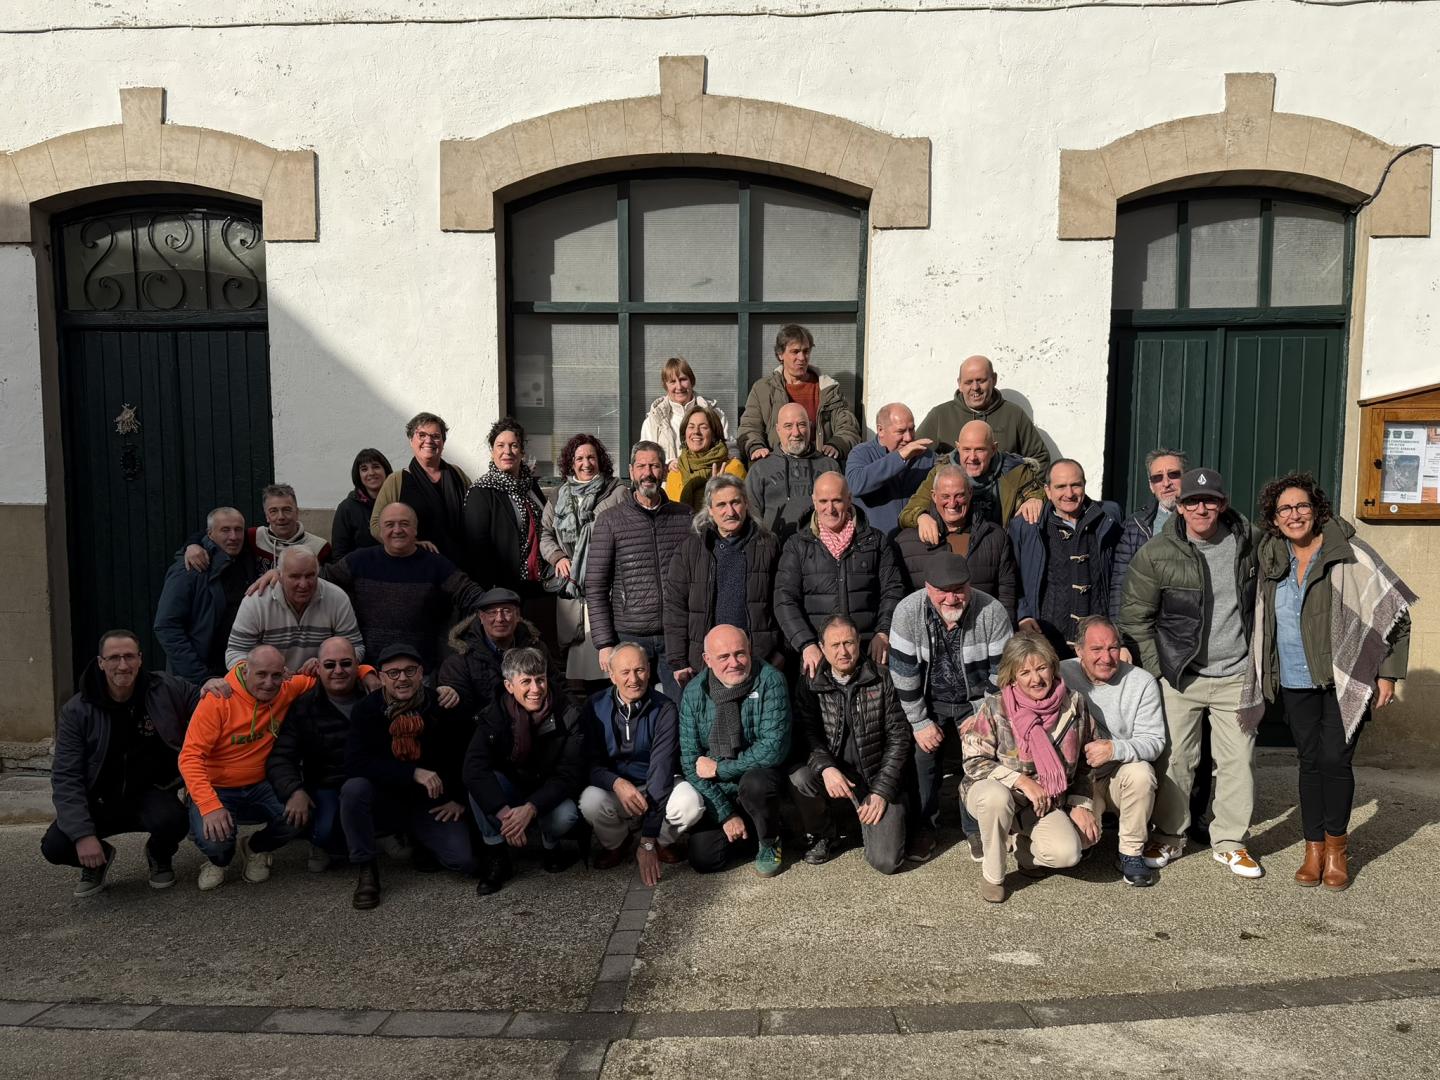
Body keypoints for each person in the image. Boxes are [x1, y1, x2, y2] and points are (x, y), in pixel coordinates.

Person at [1240, 473, 1415, 891]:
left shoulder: (1349, 552)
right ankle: (1313, 847)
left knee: (1335, 760)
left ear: (1316, 509)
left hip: (1344, 678)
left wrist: (1388, 673)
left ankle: (1336, 849)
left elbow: (1396, 613)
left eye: (1302, 506)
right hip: (1294, 679)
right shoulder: (1271, 557)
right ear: (1274, 518)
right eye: (1284, 509)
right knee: (1309, 761)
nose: (1294, 515)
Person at [1118, 468, 1266, 879]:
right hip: (1181, 675)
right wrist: (1159, 672)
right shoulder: (1156, 553)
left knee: (1238, 761)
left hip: (1237, 673)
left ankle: (1230, 842)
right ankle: (1169, 835)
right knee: (1176, 760)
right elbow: (1135, 618)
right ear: (1179, 507)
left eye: (1210, 500)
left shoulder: (1250, 542)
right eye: (1192, 501)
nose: (1201, 508)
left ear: (1223, 503)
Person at [42, 630, 211, 895]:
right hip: (99, 799)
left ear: (140, 659)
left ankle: (159, 854)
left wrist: (213, 685)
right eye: (114, 658)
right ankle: (98, 860)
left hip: (151, 793)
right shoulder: (77, 710)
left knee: (176, 819)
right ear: (101, 663)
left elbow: (203, 700)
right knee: (55, 846)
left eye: (129, 656)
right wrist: (83, 835)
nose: (123, 665)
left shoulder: (164, 688)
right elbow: (66, 776)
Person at [888, 550, 1011, 862]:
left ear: (969, 585)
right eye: (943, 591)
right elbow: (903, 673)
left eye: (959, 589)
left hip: (977, 700)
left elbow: (1003, 672)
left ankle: (974, 826)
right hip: (929, 701)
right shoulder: (907, 612)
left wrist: (984, 713)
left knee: (979, 752)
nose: (952, 598)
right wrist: (919, 722)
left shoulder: (992, 611)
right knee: (922, 756)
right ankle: (925, 826)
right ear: (928, 588)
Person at [961, 633, 1098, 903]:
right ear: (1013, 676)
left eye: (1041, 668)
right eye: (1025, 672)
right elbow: (973, 761)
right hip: (995, 793)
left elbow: (1086, 760)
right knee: (996, 797)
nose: (1036, 679)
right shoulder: (996, 706)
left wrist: (1079, 803)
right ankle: (993, 875)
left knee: (1068, 853)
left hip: (1045, 801)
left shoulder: (1074, 704)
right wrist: (1021, 781)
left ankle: (1025, 850)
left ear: (1053, 667)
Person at [343, 643, 477, 908]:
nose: (402, 678)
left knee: (464, 861)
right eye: (393, 673)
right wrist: (412, 773)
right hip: (386, 799)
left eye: (409, 671)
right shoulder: (366, 710)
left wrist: (458, 798)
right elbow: (355, 763)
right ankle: (366, 868)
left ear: (421, 673)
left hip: (431, 802)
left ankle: (420, 841)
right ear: (381, 677)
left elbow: (466, 755)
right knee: (353, 789)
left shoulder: (440, 705)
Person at [179, 645, 314, 890]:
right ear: (245, 671)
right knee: (216, 843)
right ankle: (217, 861)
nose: (269, 683)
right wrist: (209, 806)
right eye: (261, 674)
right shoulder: (218, 699)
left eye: (276, 675)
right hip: (217, 786)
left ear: (284, 673)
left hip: (261, 783)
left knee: (299, 817)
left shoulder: (286, 688)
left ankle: (255, 847)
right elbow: (190, 757)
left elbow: (335, 676)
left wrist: (366, 672)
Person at [789, 616, 910, 875]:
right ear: (822, 648)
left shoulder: (882, 677)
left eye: (849, 643)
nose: (843, 652)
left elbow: (899, 738)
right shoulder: (809, 682)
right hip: (834, 777)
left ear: (859, 643)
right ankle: (825, 833)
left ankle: (875, 820)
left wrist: (882, 791)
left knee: (886, 862)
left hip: (875, 779)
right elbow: (806, 734)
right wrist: (826, 768)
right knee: (800, 777)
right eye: (835, 645)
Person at [579, 642, 706, 883]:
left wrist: (648, 838)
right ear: (612, 675)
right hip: (617, 787)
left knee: (691, 803)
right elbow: (590, 763)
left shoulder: (665, 707)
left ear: (648, 670)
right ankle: (618, 842)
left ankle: (659, 841)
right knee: (590, 801)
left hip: (656, 783)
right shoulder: (594, 706)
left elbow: (661, 768)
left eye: (639, 670)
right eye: (625, 672)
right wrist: (616, 783)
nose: (634, 679)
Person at [464, 647, 587, 895]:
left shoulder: (569, 713)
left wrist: (530, 808)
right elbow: (473, 767)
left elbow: (569, 775)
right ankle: (497, 854)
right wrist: (506, 816)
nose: (536, 688)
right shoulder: (494, 714)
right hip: (511, 791)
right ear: (509, 686)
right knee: (479, 787)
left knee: (566, 815)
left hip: (547, 793)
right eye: (526, 682)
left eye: (540, 679)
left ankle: (551, 846)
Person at [1059, 616, 1165, 888]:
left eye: (1113, 648)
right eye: (1096, 649)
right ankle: (1086, 835)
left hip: (1119, 774)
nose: (1106, 658)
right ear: (1079, 650)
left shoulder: (1141, 682)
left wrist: (1114, 749)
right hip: (1079, 779)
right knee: (1073, 847)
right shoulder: (1061, 673)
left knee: (1142, 773)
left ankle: (1131, 852)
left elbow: (1155, 741)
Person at [679, 625, 791, 877]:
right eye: (724, 657)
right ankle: (753, 829)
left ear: (750, 650)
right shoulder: (694, 693)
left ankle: (769, 839)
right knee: (704, 858)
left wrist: (720, 769)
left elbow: (772, 749)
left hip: (757, 781)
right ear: (707, 660)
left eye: (740, 653)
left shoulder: (770, 681)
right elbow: (690, 763)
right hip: (719, 790)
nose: (734, 663)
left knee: (756, 784)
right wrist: (725, 814)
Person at [585, 441, 692, 699]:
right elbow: (596, 586)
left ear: (664, 470)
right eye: (641, 466)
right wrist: (605, 643)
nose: (648, 473)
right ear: (631, 471)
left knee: (680, 708)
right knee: (634, 708)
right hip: (629, 635)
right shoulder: (610, 520)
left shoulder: (685, 517)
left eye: (654, 466)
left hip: (676, 635)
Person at [323, 502, 486, 671]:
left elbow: (472, 595)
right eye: (389, 524)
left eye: (404, 524)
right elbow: (321, 582)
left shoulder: (436, 565)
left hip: (421, 670)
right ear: (380, 530)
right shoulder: (359, 561)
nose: (397, 530)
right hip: (368, 670)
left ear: (415, 530)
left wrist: (492, 614)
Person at [774, 473, 904, 678]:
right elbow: (785, 599)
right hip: (817, 658)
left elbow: (893, 590)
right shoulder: (797, 545)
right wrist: (806, 644)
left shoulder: (875, 541)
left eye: (837, 500)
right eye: (823, 501)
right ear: (814, 501)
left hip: (868, 653)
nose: (830, 508)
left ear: (849, 499)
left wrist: (883, 632)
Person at [663, 475, 783, 691]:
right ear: (710, 510)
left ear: (746, 504)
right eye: (721, 505)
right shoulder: (691, 549)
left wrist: (781, 653)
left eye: (735, 502)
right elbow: (675, 608)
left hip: (759, 661)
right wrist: (678, 661)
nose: (730, 511)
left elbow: (783, 600)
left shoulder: (768, 546)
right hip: (705, 665)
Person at [266, 636, 371, 873]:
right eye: (330, 665)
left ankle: (384, 832)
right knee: (324, 832)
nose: (338, 671)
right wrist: (294, 790)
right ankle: (319, 840)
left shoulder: (373, 695)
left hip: (369, 781)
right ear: (318, 667)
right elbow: (281, 756)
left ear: (358, 666)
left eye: (346, 663)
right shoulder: (303, 705)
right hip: (326, 785)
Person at [1009, 459, 1122, 659]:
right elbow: (1010, 577)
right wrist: (1023, 615)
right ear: (1047, 491)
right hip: (1046, 638)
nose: (1069, 493)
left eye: (1075, 485)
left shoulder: (1109, 518)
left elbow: (1121, 576)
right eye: (1060, 486)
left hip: (1098, 642)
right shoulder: (1027, 526)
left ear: (1084, 485)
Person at [540, 434, 629, 685]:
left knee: (610, 660)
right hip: (572, 587)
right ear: (571, 462)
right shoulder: (559, 495)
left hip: (607, 585)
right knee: (579, 660)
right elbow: (545, 534)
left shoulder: (618, 493)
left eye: (591, 457)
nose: (586, 463)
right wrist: (557, 557)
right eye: (579, 458)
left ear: (600, 460)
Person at [894, 464, 1018, 623]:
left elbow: (1007, 594)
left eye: (959, 495)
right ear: (933, 496)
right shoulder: (907, 542)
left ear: (970, 493)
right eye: (945, 496)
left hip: (982, 632)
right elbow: (897, 597)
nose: (952, 503)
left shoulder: (995, 537)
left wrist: (1003, 630)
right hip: (925, 634)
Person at [154, 506, 259, 681]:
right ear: (210, 534)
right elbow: (167, 626)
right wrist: (200, 677)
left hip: (240, 673)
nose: (233, 536)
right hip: (199, 678)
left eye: (238, 529)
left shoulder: (248, 560)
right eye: (225, 530)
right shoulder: (188, 569)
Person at [736, 324, 862, 463]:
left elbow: (849, 427)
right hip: (775, 466)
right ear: (780, 354)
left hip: (819, 465)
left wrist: (837, 445)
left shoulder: (828, 389)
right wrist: (756, 447)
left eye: (806, 351)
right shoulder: (763, 389)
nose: (802, 357)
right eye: (795, 352)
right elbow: (749, 427)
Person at [225, 546, 364, 671]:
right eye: (295, 577)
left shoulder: (336, 598)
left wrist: (325, 665)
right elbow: (235, 654)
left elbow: (355, 648)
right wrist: (269, 672)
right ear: (279, 576)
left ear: (318, 573)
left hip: (320, 683)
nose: (303, 584)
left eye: (310, 576)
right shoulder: (257, 602)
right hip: (270, 685)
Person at [439, 587, 563, 721]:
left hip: (535, 724)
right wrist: (450, 693)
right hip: (484, 728)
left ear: (517, 615)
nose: (500, 618)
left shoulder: (537, 648)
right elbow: (459, 706)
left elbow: (558, 686)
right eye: (492, 612)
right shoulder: (461, 655)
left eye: (506, 611)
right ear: (481, 617)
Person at [899, 420, 1044, 533]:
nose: (972, 457)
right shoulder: (942, 473)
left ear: (994, 449)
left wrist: (1034, 499)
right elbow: (907, 513)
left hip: (1003, 547)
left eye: (980, 450)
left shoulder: (1015, 471)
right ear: (958, 447)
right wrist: (921, 517)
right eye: (966, 449)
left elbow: (1043, 492)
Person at [462, 416, 549, 600]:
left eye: (514, 445)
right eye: (500, 446)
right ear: (492, 452)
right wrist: (491, 594)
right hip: (504, 591)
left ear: (522, 452)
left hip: (540, 584)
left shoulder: (530, 486)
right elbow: (477, 550)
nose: (507, 451)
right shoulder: (481, 491)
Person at [370, 411, 472, 561]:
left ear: (443, 442)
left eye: (435, 436)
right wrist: (409, 544)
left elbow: (474, 514)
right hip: (415, 563)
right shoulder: (396, 481)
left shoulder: (457, 474)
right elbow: (375, 524)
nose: (429, 441)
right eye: (422, 435)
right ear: (411, 440)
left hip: (460, 562)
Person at [916, 354, 1050, 466]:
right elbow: (915, 457)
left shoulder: (1013, 414)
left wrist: (1022, 488)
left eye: (981, 380)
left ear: (994, 379)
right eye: (969, 382)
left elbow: (1040, 457)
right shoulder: (940, 416)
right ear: (959, 384)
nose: (975, 387)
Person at [182, 483, 330, 573]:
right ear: (266, 516)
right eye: (273, 511)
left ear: (297, 512)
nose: (281, 517)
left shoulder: (320, 548)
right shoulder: (254, 537)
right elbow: (216, 533)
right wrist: (192, 545)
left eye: (287, 510)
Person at [1109, 448, 1187, 618]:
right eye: (1157, 478)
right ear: (1151, 486)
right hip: (1147, 623)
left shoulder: (1204, 520)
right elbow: (1120, 583)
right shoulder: (1135, 526)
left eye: (1173, 474)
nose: (1166, 483)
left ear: (1186, 477)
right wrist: (1118, 628)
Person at [744, 403, 842, 538]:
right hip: (775, 548)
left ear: (810, 426)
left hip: (822, 547)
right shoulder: (760, 469)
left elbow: (843, 510)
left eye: (801, 425)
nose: (796, 433)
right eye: (788, 426)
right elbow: (750, 518)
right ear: (778, 429)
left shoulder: (829, 466)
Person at [844, 402, 936, 537]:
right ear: (880, 430)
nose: (908, 438)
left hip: (915, 542)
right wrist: (900, 457)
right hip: (874, 543)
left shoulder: (926, 457)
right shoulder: (862, 453)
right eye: (900, 431)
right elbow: (855, 485)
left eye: (911, 429)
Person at [640, 356, 730, 469]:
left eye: (683, 379)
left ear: (692, 381)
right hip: (668, 479)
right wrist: (668, 463)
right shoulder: (653, 421)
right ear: (665, 385)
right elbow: (645, 458)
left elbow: (729, 448)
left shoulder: (715, 414)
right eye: (672, 381)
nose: (679, 386)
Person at [664, 402, 747, 510]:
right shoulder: (675, 473)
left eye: (703, 427)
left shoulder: (732, 468)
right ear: (685, 434)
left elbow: (742, 511)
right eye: (691, 427)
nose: (696, 432)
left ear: (714, 434)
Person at [331, 448, 393, 560]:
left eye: (376, 467)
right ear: (358, 475)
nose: (371, 473)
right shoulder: (346, 508)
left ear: (386, 470)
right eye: (364, 469)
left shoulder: (399, 502)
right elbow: (339, 554)